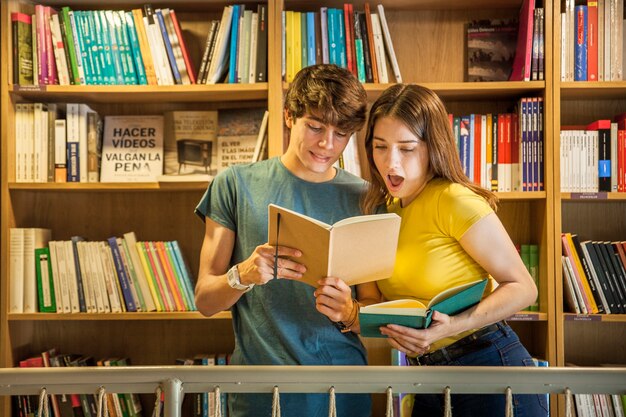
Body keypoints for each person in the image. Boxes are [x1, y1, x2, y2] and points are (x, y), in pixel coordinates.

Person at [194, 64, 379, 417]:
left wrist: (348, 312)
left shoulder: (364, 198)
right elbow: (205, 300)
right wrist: (244, 274)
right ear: (289, 116)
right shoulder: (235, 184)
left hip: (343, 389)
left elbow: (374, 309)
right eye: (315, 127)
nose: (327, 144)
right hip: (262, 393)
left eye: (341, 133)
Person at [361, 84, 549, 417]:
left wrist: (450, 326)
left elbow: (523, 288)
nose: (390, 162)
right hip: (429, 376)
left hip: (488, 366)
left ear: (432, 146)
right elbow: (381, 304)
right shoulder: (384, 210)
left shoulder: (453, 199)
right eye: (380, 147)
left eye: (406, 148)